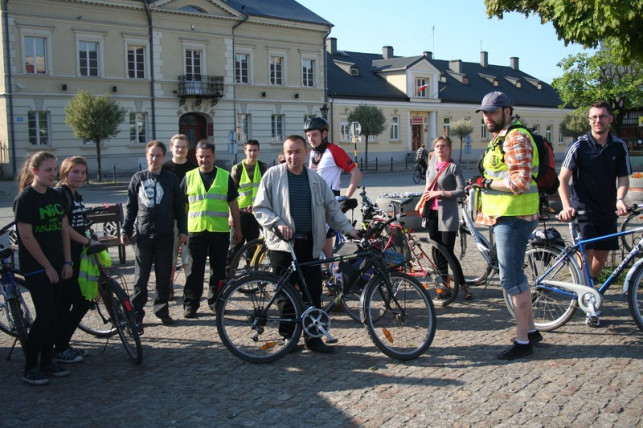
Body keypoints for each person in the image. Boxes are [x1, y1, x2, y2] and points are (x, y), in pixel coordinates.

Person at [253, 135, 359, 353]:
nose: (293, 156)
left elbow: (332, 209)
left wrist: (349, 230)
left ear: (306, 153)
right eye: (289, 152)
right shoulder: (273, 175)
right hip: (282, 245)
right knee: (285, 293)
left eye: (298, 151)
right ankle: (289, 338)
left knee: (313, 291)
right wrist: (277, 224)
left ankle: (313, 337)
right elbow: (260, 208)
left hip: (310, 243)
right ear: (284, 153)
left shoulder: (315, 179)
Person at [471, 91, 542, 360]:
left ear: (507, 111)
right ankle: (532, 331)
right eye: (485, 112)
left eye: (492, 111)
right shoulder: (500, 137)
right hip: (505, 217)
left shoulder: (516, 137)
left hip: (515, 218)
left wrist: (486, 184)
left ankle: (523, 341)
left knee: (511, 279)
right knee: (514, 277)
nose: (487, 117)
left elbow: (521, 182)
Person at [557, 101, 631, 316]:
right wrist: (566, 206)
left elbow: (623, 177)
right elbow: (563, 178)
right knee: (586, 252)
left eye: (602, 116)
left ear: (610, 119)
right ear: (589, 120)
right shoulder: (579, 145)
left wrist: (620, 199)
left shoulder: (618, 146)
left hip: (607, 209)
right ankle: (587, 296)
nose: (598, 120)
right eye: (594, 117)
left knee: (602, 253)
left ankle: (591, 285)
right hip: (583, 209)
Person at [14, 151, 73, 385]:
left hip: (59, 263)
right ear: (34, 171)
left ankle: (47, 361)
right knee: (45, 315)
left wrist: (67, 261)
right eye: (48, 170)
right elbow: (26, 237)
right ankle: (30, 366)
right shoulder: (26, 199)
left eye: (54, 169)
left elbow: (63, 230)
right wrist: (47, 266)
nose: (53, 174)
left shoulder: (55, 196)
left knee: (56, 314)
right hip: (37, 266)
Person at [121, 140, 187, 326]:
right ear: (146, 155)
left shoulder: (170, 179)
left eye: (158, 155)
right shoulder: (137, 179)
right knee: (140, 279)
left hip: (165, 236)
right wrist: (125, 229)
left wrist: (183, 230)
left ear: (163, 157)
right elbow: (131, 207)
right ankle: (136, 313)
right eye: (152, 155)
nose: (155, 158)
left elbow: (179, 207)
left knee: (163, 277)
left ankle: (162, 310)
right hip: (143, 236)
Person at [182, 141, 242, 318]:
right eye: (201, 157)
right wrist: (182, 231)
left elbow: (233, 204)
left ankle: (216, 301)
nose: (204, 160)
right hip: (196, 230)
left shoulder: (225, 176)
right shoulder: (189, 177)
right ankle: (191, 304)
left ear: (214, 157)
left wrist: (238, 229)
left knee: (218, 270)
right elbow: (182, 206)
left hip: (219, 230)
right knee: (194, 270)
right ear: (196, 157)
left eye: (207, 157)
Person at [52, 156, 100, 363]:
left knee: (64, 304)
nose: (80, 176)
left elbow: (79, 223)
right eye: (75, 172)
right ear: (64, 173)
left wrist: (90, 239)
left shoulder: (75, 194)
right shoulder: (61, 194)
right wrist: (88, 243)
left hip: (75, 255)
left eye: (83, 172)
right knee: (80, 303)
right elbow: (66, 229)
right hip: (65, 257)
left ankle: (60, 346)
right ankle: (61, 347)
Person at [304, 116, 362, 258]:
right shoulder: (313, 152)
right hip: (315, 201)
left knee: (319, 244)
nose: (311, 139)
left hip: (329, 200)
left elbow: (356, 173)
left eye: (315, 135)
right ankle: (330, 273)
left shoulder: (334, 150)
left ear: (324, 134)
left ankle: (334, 272)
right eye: (308, 135)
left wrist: (346, 197)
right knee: (323, 245)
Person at [420, 136, 470, 299]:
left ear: (449, 148)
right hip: (432, 213)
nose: (440, 149)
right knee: (436, 250)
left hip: (448, 214)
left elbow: (462, 191)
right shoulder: (432, 164)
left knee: (447, 251)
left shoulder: (454, 167)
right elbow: (428, 185)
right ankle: (444, 286)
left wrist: (440, 193)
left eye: (443, 146)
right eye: (437, 146)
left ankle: (462, 284)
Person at [162, 134, 197, 297]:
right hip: (170, 218)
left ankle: (190, 287)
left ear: (188, 148)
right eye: (177, 146)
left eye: (183, 147)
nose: (180, 149)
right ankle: (168, 284)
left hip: (191, 217)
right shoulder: (165, 168)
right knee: (170, 255)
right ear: (171, 148)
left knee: (189, 257)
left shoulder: (194, 168)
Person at [227, 139, 268, 267]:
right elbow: (230, 194)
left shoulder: (262, 167)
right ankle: (230, 274)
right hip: (240, 213)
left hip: (256, 213)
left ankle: (252, 274)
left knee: (254, 246)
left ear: (259, 151)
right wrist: (230, 215)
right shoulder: (237, 169)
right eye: (249, 150)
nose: (252, 153)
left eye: (255, 150)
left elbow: (266, 189)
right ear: (245, 151)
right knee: (235, 246)